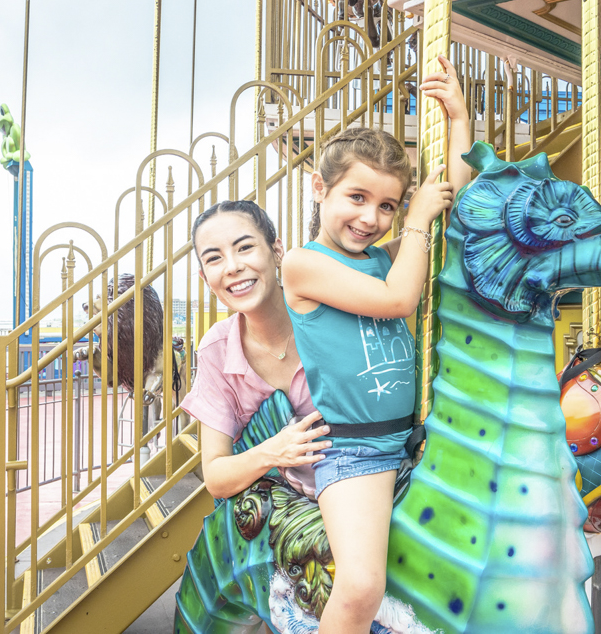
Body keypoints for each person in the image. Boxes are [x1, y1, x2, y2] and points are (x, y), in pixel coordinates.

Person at [281, 55, 470, 634]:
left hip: (414, 438)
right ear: (320, 189)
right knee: (362, 584)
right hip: (356, 451)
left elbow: (452, 196)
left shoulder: (387, 257)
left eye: (387, 205)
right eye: (357, 198)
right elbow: (397, 301)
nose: (372, 217)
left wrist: (458, 117)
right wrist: (414, 222)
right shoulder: (303, 264)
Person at [183, 199, 329, 501]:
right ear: (205, 278)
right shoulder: (216, 349)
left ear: (277, 252)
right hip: (283, 510)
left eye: (245, 247)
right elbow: (216, 477)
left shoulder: (329, 315)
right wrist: (273, 451)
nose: (233, 267)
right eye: (214, 258)